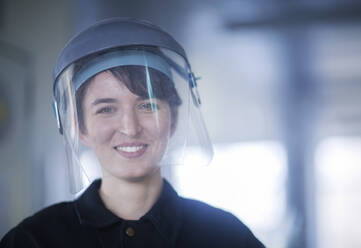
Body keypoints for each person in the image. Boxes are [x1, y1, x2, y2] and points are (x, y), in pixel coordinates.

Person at [0, 18, 265, 248]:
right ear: (79, 128)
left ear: (172, 120)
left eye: (147, 106)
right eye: (106, 109)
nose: (130, 127)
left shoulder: (226, 237)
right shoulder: (33, 241)